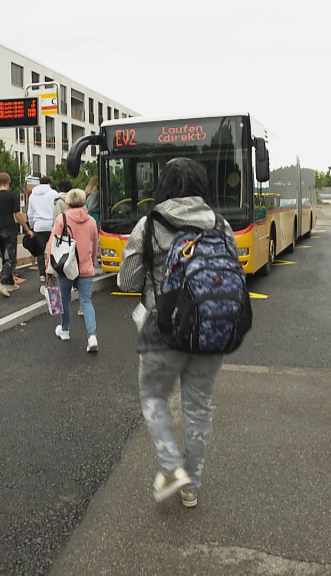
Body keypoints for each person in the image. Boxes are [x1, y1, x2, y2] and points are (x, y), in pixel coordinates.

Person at [117, 158, 236, 509]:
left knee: (154, 399)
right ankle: (191, 487)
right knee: (198, 409)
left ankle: (171, 467)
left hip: (161, 328)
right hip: (210, 328)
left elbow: (126, 280)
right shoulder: (220, 224)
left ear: (164, 185)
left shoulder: (148, 225)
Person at [45, 188, 98, 352]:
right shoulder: (91, 221)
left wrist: (48, 263)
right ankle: (92, 336)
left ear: (68, 202)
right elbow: (95, 244)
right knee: (86, 301)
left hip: (65, 266)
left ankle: (65, 329)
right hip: (85, 267)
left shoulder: (62, 219)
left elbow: (52, 243)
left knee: (65, 298)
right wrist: (91, 261)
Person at [0, 172, 31, 297]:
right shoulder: (11, 196)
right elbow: (18, 214)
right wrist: (27, 229)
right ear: (8, 182)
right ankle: (2, 282)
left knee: (4, 258)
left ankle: (10, 283)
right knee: (10, 259)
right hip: (9, 230)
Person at [27, 176, 59, 282]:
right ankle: (52, 271)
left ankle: (42, 274)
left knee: (40, 250)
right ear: (49, 183)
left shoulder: (33, 195)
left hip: (38, 226)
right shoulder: (54, 193)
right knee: (53, 250)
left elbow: (30, 213)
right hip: (51, 225)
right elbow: (56, 209)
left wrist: (32, 226)